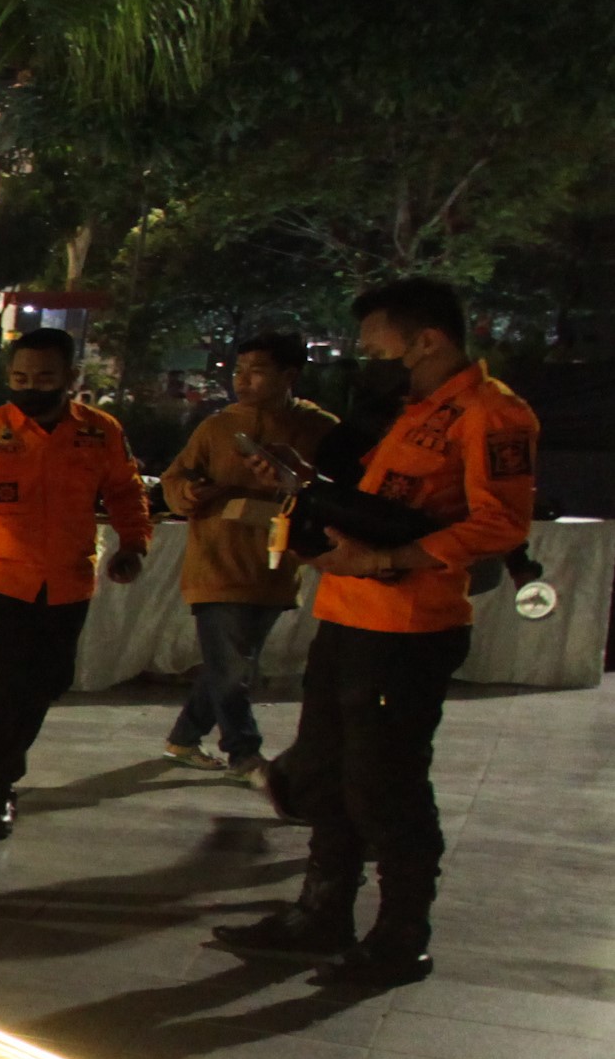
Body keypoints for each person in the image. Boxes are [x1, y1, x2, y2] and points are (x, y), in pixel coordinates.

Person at [220, 276, 538, 988]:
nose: (365, 356)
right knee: (329, 775)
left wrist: (385, 558)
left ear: (426, 340)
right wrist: (305, 483)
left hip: (408, 627)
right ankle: (320, 913)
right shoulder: (410, 410)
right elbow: (379, 500)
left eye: (375, 344)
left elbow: (498, 523)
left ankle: (400, 935)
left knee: (384, 784)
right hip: (347, 614)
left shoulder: (491, 414)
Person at [0, 327, 152, 839]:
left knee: (43, 686)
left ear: (70, 377)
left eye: (44, 377)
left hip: (67, 583)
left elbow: (126, 492)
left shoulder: (101, 432)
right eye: (20, 376)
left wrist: (133, 546)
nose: (30, 386)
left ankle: (5, 773)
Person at [157, 332, 336, 778]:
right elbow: (174, 479)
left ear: (289, 375)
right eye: (239, 370)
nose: (244, 380)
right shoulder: (216, 427)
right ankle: (244, 754)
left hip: (275, 565)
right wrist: (190, 492)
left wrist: (295, 483)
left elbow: (338, 491)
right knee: (232, 665)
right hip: (216, 561)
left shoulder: (320, 428)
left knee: (230, 663)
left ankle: (182, 738)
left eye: (256, 370)